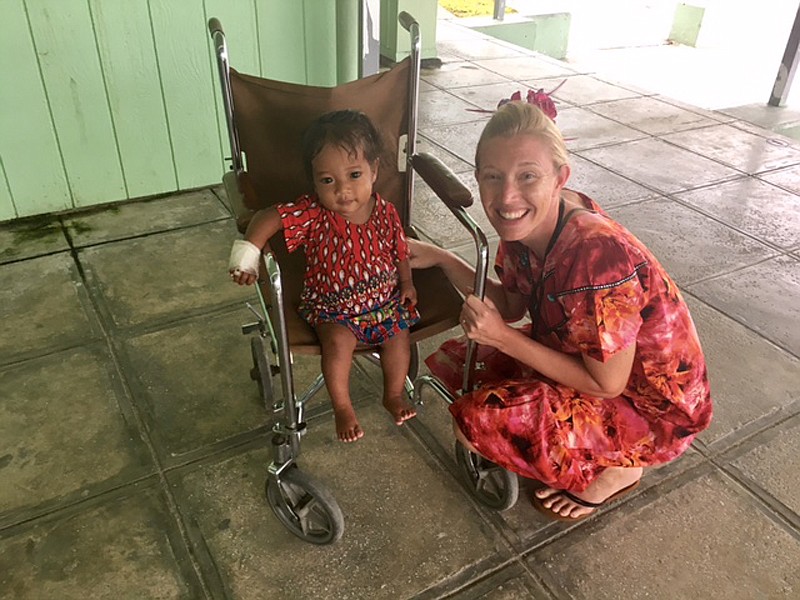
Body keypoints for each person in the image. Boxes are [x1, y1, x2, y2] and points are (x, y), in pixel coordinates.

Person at [409, 101, 712, 521]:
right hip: (582, 355)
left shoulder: (597, 256)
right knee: (465, 363)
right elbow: (514, 304)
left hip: (649, 405)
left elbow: (605, 383)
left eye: (527, 176)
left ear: (560, 178)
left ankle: (622, 468)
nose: (507, 196)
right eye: (492, 178)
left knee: (475, 422)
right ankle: (592, 444)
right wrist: (442, 258)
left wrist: (503, 338)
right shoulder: (527, 223)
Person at [228, 109, 419, 443]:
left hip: (384, 304)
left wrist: (407, 283)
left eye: (354, 174)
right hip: (334, 309)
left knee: (399, 337)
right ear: (314, 182)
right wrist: (249, 255)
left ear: (374, 171)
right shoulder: (314, 214)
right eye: (328, 180)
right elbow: (268, 217)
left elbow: (399, 251)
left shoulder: (386, 211)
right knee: (337, 343)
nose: (343, 190)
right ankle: (342, 406)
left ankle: (393, 394)